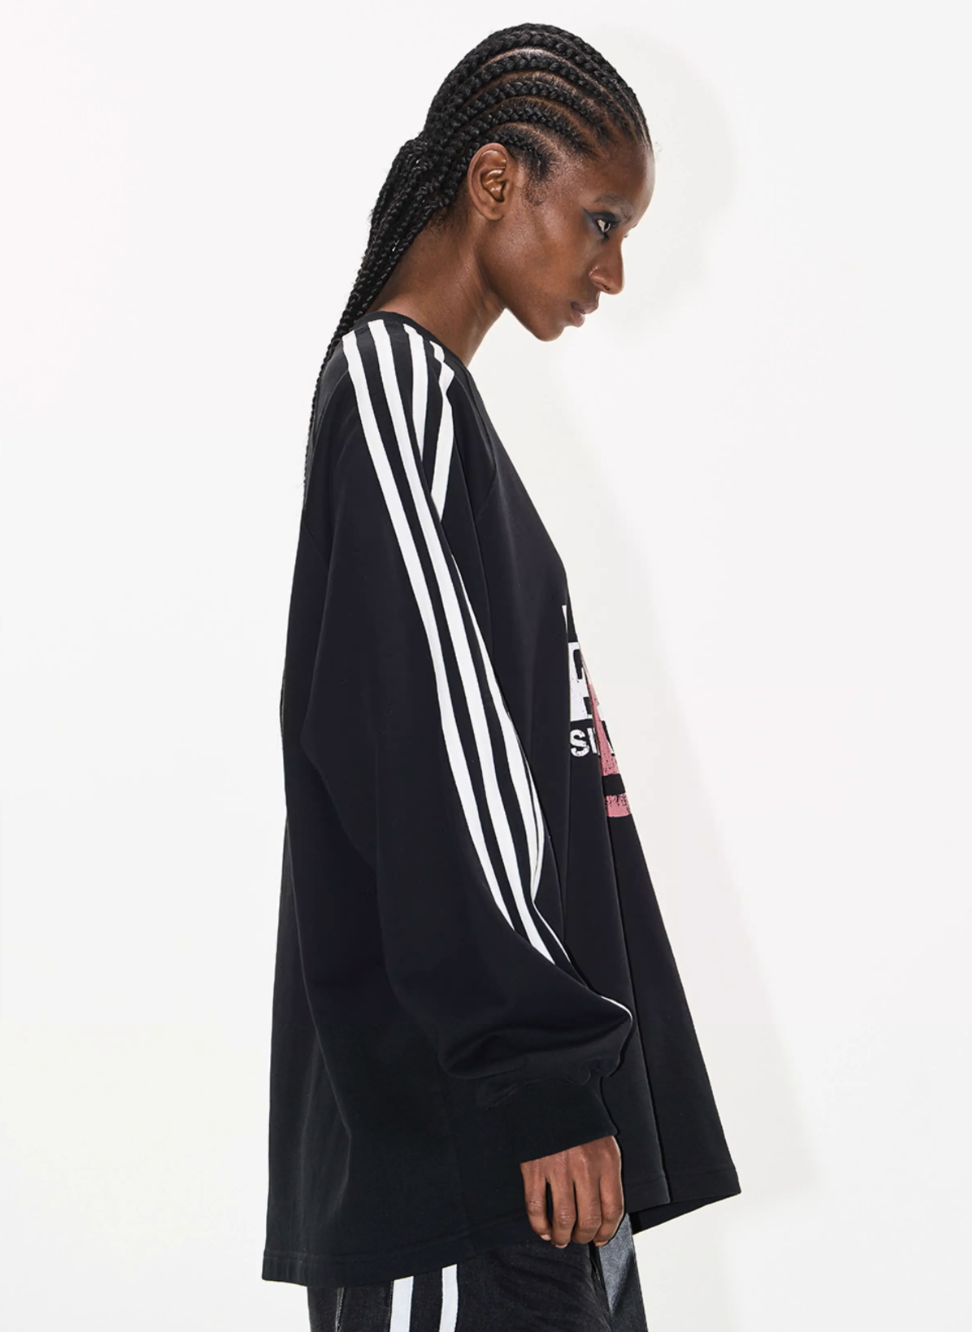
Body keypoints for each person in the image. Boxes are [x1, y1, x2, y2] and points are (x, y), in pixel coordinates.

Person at [262, 22, 741, 1330]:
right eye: (599, 221)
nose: (614, 271)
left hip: (525, 1157)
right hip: (473, 1157)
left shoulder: (438, 414)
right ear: (493, 182)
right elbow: (439, 757)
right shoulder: (391, 385)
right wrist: (538, 1075)